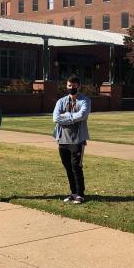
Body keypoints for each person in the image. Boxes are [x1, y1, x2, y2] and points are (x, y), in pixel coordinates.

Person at [53, 75, 91, 204]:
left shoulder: (85, 101)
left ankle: (80, 194)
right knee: (68, 167)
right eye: (69, 85)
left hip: (77, 140)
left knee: (76, 167)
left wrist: (66, 116)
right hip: (63, 139)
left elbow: (82, 115)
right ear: (66, 86)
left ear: (79, 86)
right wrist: (72, 117)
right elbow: (55, 118)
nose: (71, 88)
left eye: (74, 86)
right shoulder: (61, 101)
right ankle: (73, 193)